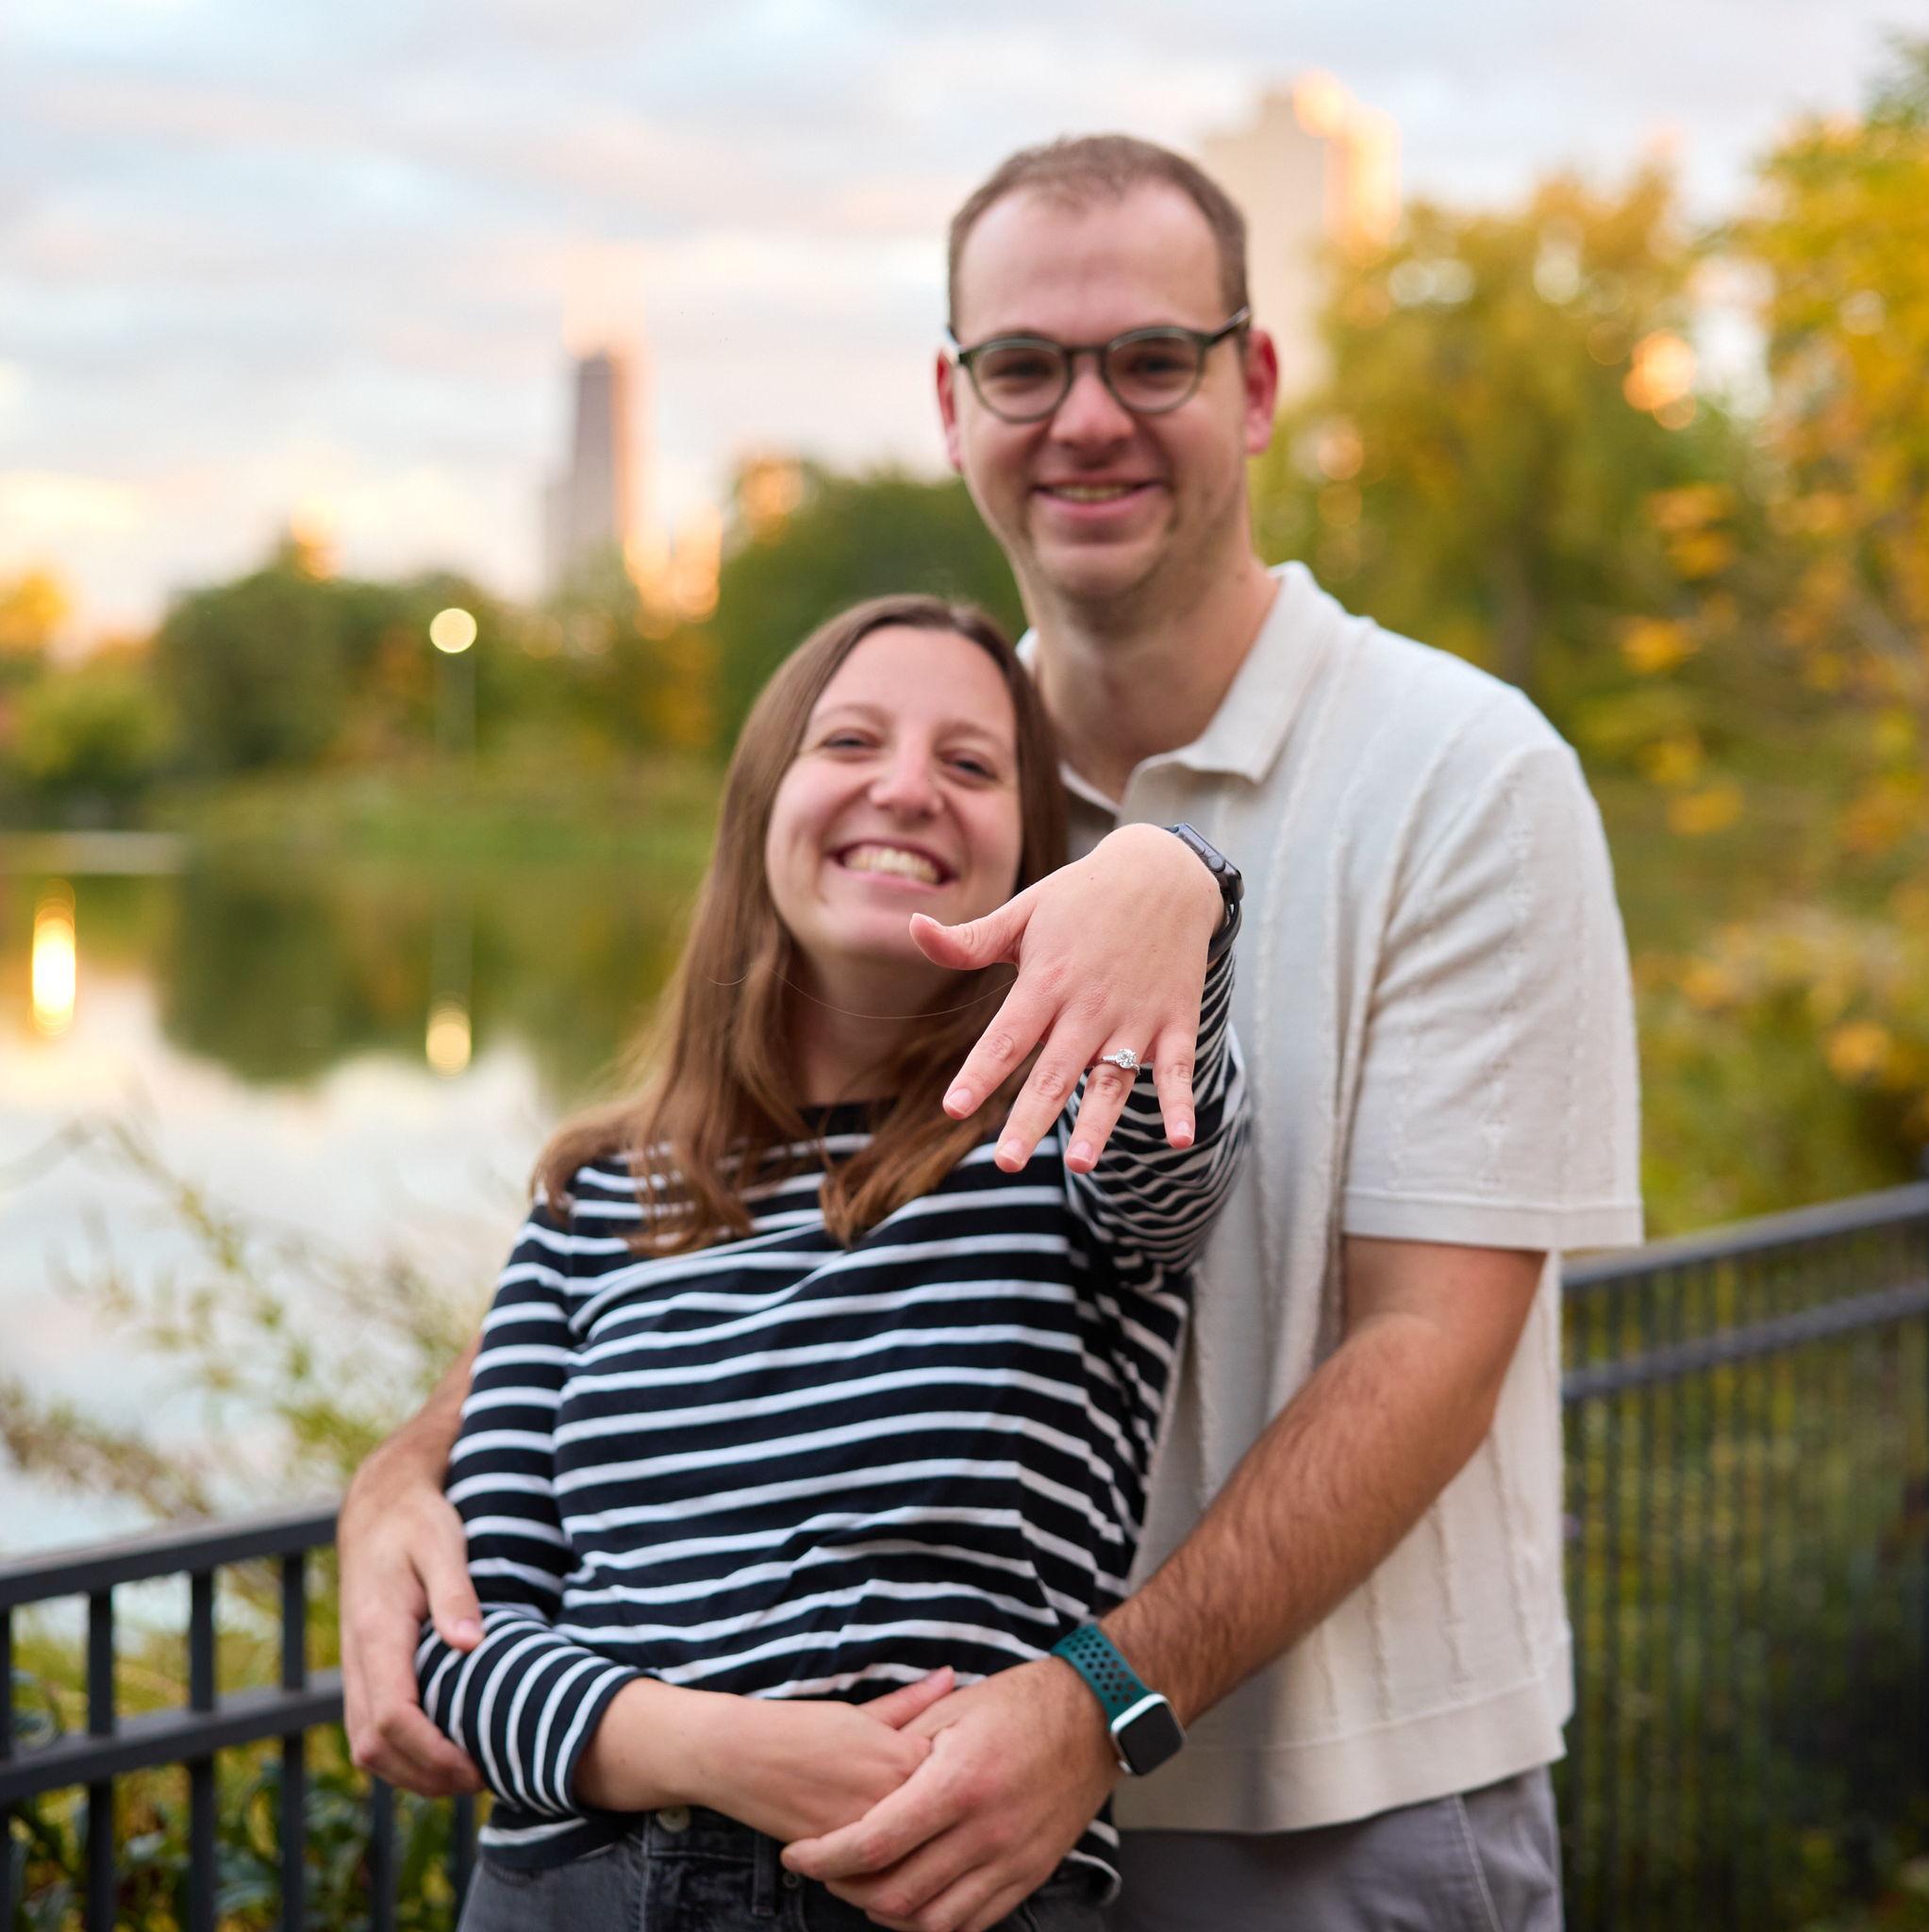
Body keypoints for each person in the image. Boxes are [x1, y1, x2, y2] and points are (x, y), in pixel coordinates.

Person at [342, 136, 1642, 1932]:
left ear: (1251, 384)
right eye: (1024, 366)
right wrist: (408, 1468)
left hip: (1330, 1808)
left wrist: (1095, 1708)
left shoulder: (1463, 773)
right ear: (952, 407)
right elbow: (707, 1225)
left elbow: (1429, 1343)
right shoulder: (926, 768)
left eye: (1151, 358)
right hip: (903, 1824)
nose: (1084, 417)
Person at [404, 592, 1247, 1932]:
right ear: (761, 807)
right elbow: (463, 1650)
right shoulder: (595, 1194)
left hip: (944, 1893)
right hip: (582, 1890)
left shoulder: (1068, 1139)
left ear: (1033, 854)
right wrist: (720, 1748)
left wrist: (1167, 869)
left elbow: (1171, 1086)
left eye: (970, 766)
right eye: (850, 742)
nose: (907, 790)